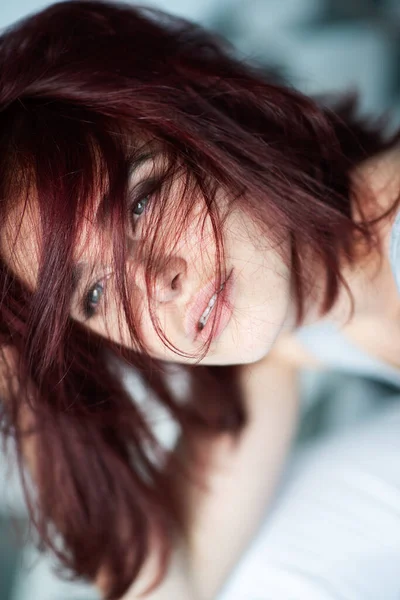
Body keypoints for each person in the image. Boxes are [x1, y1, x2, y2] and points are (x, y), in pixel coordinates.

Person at [0, 1, 400, 599]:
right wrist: (19, 354)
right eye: (94, 292)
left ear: (207, 126)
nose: (155, 282)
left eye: (140, 204)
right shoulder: (287, 346)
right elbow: (163, 588)